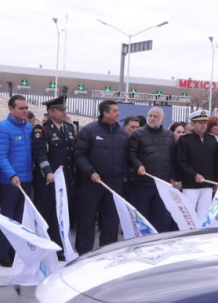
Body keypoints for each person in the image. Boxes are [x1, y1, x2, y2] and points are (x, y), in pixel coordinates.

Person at [74, 100, 128, 254]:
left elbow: (127, 157)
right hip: (92, 182)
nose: (118, 113)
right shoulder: (89, 131)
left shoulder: (122, 133)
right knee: (87, 218)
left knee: (111, 219)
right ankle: (84, 252)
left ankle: (108, 252)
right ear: (105, 113)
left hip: (114, 183)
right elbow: (79, 155)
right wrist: (90, 171)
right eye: (115, 111)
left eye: (118, 110)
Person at [31, 96, 76, 258]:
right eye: (60, 110)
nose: (64, 112)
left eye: (65, 109)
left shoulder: (69, 128)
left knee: (61, 214)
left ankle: (59, 247)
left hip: (65, 179)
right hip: (48, 180)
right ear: (50, 112)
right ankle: (44, 248)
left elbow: (71, 154)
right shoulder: (41, 130)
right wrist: (47, 171)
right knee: (46, 213)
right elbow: (40, 153)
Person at [0, 95, 33, 267]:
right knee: (8, 219)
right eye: (21, 108)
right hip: (10, 182)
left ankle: (17, 252)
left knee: (20, 219)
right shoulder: (2, 128)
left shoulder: (29, 127)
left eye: (26, 108)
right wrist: (11, 175)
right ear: (11, 109)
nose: (25, 111)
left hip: (27, 180)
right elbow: (1, 156)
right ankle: (5, 254)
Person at [127, 107, 177, 232]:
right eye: (150, 116)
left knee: (160, 221)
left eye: (155, 116)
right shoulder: (137, 134)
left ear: (162, 119)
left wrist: (173, 177)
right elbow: (131, 154)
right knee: (142, 221)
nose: (152, 118)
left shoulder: (169, 135)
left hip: (162, 185)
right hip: (142, 184)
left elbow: (174, 158)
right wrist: (138, 165)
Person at [177, 110, 218, 221]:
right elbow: (181, 162)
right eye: (200, 123)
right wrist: (194, 174)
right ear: (193, 124)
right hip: (191, 184)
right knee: (188, 215)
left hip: (207, 184)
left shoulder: (212, 140)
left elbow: (217, 163)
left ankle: (201, 232)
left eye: (205, 122)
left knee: (204, 214)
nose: (203, 125)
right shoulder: (185, 140)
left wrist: (216, 182)